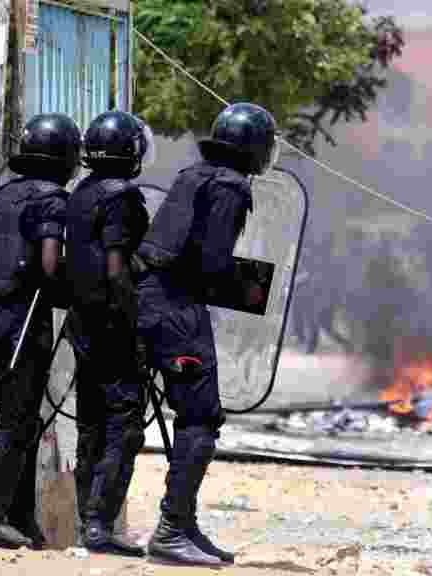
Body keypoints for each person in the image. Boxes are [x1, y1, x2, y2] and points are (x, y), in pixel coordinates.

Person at [132, 102, 275, 566]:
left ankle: (184, 526)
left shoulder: (194, 175)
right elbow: (211, 264)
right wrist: (246, 288)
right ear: (254, 148)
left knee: (192, 412)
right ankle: (172, 530)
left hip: (150, 297)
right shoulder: (231, 187)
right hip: (177, 306)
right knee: (201, 416)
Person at [0, 113, 80, 549]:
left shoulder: (1, 196)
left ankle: (14, 515)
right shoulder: (53, 199)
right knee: (16, 421)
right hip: (20, 321)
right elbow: (49, 267)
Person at [65, 110, 152, 556]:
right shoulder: (122, 197)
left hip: (82, 326)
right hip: (111, 328)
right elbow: (117, 269)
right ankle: (99, 527)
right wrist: (137, 324)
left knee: (91, 426)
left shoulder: (81, 192)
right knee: (124, 427)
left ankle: (89, 525)